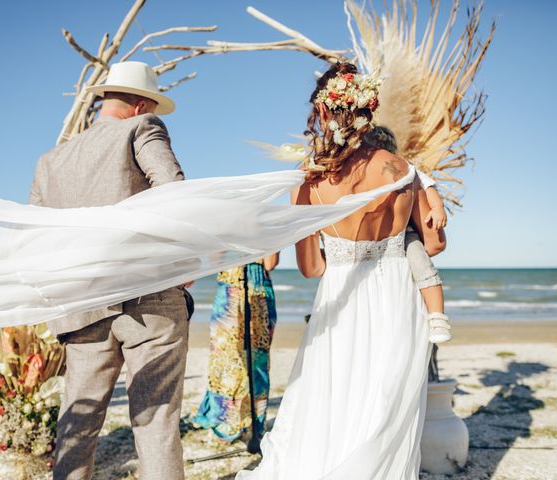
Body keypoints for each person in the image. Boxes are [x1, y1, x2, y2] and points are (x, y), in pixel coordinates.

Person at [237, 62, 446, 479]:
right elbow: (436, 244)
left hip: (340, 296)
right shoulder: (402, 170)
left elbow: (312, 269)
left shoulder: (309, 182)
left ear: (326, 113)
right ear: (370, 110)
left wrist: (337, 246)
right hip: (395, 294)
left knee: (333, 394)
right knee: (387, 400)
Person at [29, 61, 191, 480]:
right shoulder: (141, 128)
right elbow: (172, 189)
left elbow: (38, 236)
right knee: (155, 423)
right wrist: (185, 262)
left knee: (77, 422)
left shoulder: (50, 161)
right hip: (148, 296)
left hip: (82, 304)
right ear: (141, 105)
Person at [364, 126, 451, 343]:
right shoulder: (362, 173)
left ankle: (437, 317)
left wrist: (438, 208)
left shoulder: (405, 168)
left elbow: (428, 186)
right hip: (377, 240)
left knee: (422, 264)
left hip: (407, 233)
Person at [192, 254, 279, 443]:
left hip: (245, 288)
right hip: (241, 288)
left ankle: (242, 424)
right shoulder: (232, 224)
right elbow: (214, 261)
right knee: (233, 361)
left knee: (246, 361)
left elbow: (271, 263)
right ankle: (238, 423)